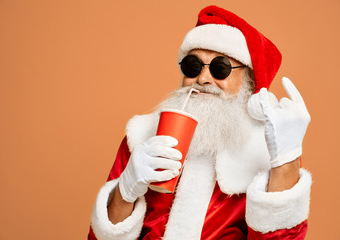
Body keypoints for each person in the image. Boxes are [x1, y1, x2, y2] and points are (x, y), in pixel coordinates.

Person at [88, 5, 312, 240]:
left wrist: (287, 161)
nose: (203, 79)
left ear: (248, 80)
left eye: (220, 68)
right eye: (193, 66)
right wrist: (125, 189)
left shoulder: (268, 148)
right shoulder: (141, 136)